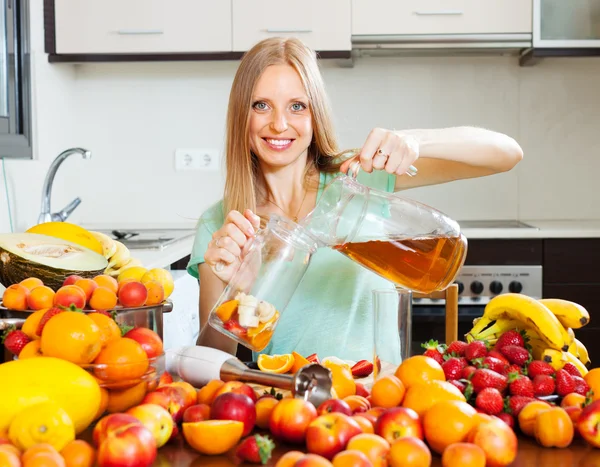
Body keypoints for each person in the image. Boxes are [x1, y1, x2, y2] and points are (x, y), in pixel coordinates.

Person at [186, 37, 523, 362]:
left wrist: (414, 141)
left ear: (315, 113)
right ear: (240, 115)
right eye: (261, 105)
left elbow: (506, 155)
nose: (279, 123)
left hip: (378, 401)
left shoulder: (361, 175)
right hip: (293, 406)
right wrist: (230, 289)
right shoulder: (222, 225)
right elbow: (211, 362)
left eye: (297, 106)